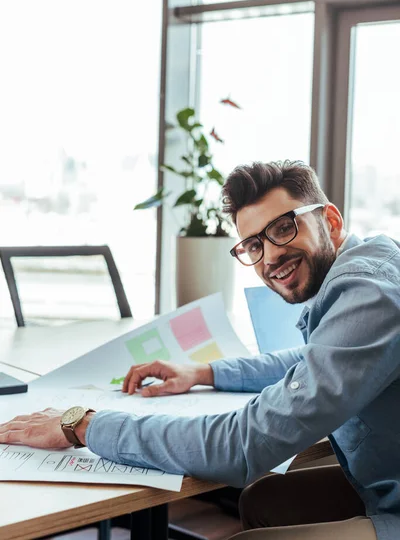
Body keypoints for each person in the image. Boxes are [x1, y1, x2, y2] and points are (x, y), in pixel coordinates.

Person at [0, 160, 399, 540]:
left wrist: (83, 425)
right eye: (254, 245)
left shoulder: (369, 295)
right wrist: (205, 373)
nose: (271, 255)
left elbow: (245, 444)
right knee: (263, 500)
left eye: (283, 228)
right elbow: (313, 362)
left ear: (330, 219)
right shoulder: (368, 266)